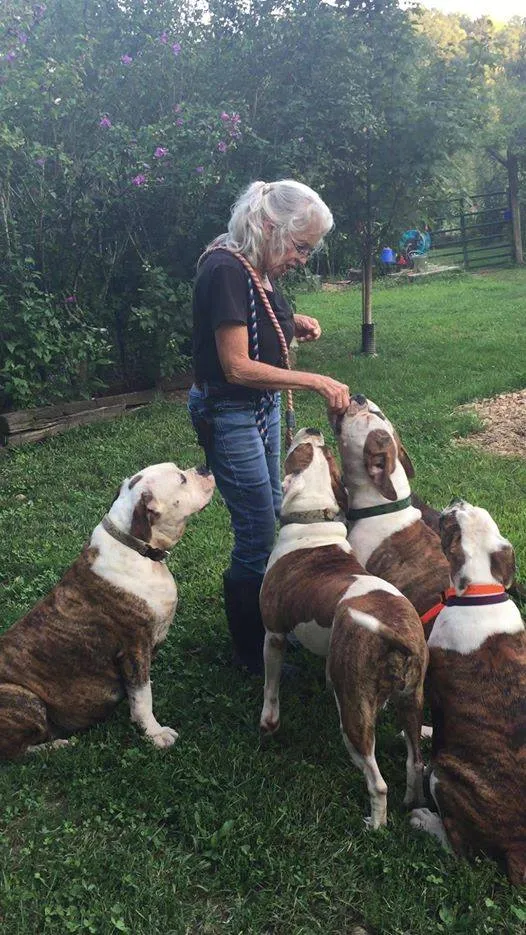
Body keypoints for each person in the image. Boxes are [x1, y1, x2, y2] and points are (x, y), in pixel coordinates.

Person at [188, 179, 350, 674]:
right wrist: (312, 380)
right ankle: (248, 650)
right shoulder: (224, 268)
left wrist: (290, 319)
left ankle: (274, 622)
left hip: (258, 408)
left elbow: (249, 316)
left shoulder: (253, 264)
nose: (303, 257)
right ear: (267, 225)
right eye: (301, 246)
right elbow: (236, 366)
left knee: (271, 515)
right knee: (258, 531)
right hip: (231, 410)